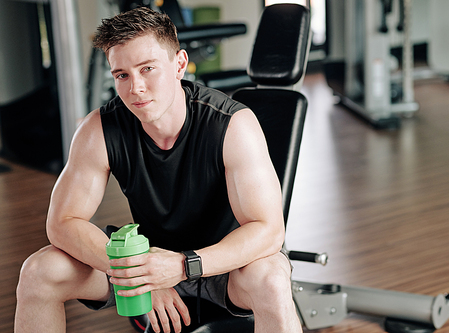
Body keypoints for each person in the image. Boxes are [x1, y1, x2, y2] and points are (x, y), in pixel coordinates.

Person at [14, 6, 302, 333]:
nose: (135, 88)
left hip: (224, 268)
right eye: (122, 74)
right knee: (40, 272)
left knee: (273, 280)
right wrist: (142, 274)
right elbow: (62, 223)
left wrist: (182, 266)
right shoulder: (99, 130)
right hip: (146, 262)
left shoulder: (233, 126)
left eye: (147, 68)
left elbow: (268, 231)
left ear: (179, 64)